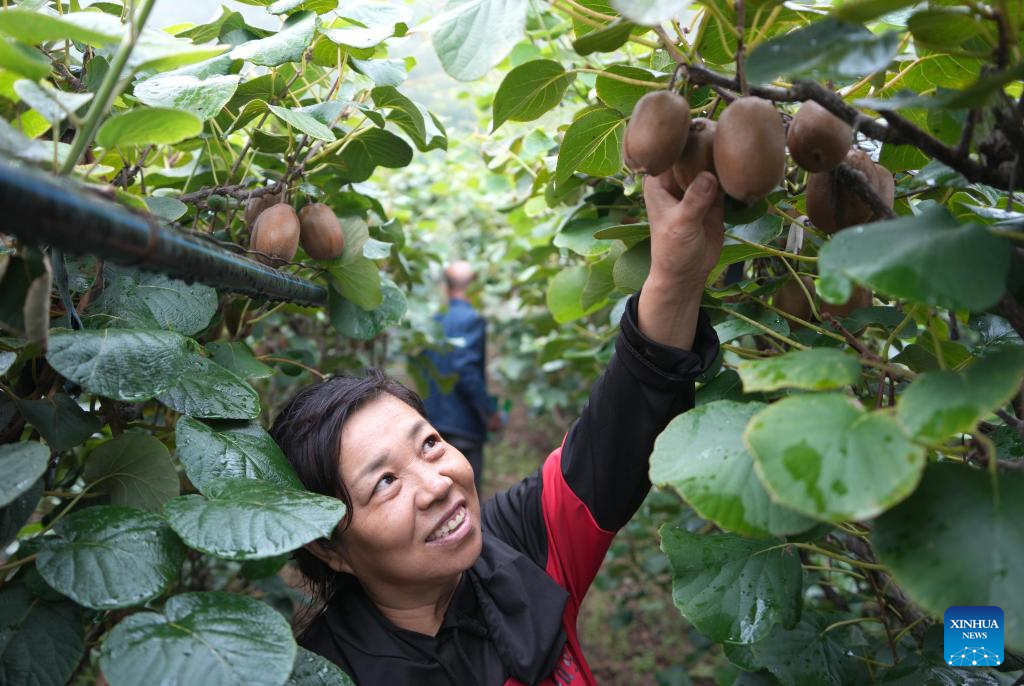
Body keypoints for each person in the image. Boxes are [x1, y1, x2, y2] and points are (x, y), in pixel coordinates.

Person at [269, 170, 724, 685]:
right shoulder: (322, 675)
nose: (437, 485)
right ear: (327, 547)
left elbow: (621, 427)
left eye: (429, 444)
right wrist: (484, 410)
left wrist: (675, 276)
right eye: (385, 482)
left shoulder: (520, 549)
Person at [421, 260, 499, 491]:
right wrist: (488, 412)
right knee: (468, 493)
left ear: (446, 288)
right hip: (464, 425)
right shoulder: (472, 320)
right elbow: (465, 369)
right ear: (475, 288)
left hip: (434, 423)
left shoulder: (432, 322)